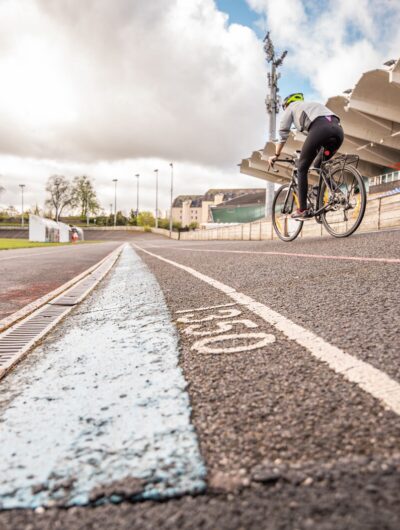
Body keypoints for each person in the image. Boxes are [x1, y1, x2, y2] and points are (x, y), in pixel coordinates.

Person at [268, 93, 344, 220]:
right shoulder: (312, 106)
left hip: (320, 130)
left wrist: (276, 155)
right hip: (338, 131)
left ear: (286, 104)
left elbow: (283, 133)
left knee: (302, 168)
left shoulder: (291, 107)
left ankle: (302, 210)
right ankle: (338, 194)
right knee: (318, 164)